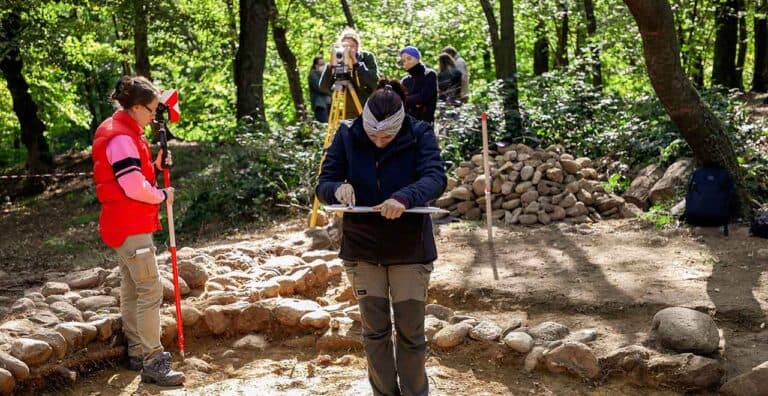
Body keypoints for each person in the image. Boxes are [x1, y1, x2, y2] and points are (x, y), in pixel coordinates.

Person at [316, 79, 447, 396]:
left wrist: (404, 198)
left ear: (400, 124)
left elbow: (435, 177)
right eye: (373, 133)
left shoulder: (419, 133)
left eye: (386, 135)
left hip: (410, 249)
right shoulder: (347, 133)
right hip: (362, 249)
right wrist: (337, 189)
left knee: (411, 333)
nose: (378, 140)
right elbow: (325, 183)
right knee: (374, 333)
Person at [91, 76, 185, 387]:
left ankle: (136, 350)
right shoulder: (120, 137)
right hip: (130, 224)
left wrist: (156, 167)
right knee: (150, 290)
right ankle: (153, 360)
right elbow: (132, 186)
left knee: (132, 289)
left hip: (123, 222)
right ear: (134, 107)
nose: (155, 116)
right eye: (151, 109)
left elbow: (132, 173)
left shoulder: (124, 131)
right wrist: (161, 194)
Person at [319, 27, 380, 119]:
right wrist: (330, 67)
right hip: (346, 111)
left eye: (352, 46)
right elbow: (323, 87)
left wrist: (356, 63)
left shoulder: (366, 57)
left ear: (357, 47)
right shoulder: (337, 60)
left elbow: (373, 82)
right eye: (344, 46)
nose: (348, 49)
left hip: (366, 108)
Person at [400, 46, 438, 124]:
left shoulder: (429, 74)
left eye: (409, 58)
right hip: (407, 124)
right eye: (403, 61)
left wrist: (407, 99)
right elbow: (400, 101)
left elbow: (423, 97)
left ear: (417, 58)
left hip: (425, 123)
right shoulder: (405, 80)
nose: (406, 62)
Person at [308, 56, 331, 122]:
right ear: (316, 66)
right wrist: (329, 93)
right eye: (321, 64)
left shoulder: (323, 75)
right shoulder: (313, 75)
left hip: (327, 105)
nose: (323, 66)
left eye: (324, 64)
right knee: (324, 125)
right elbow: (320, 88)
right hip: (320, 106)